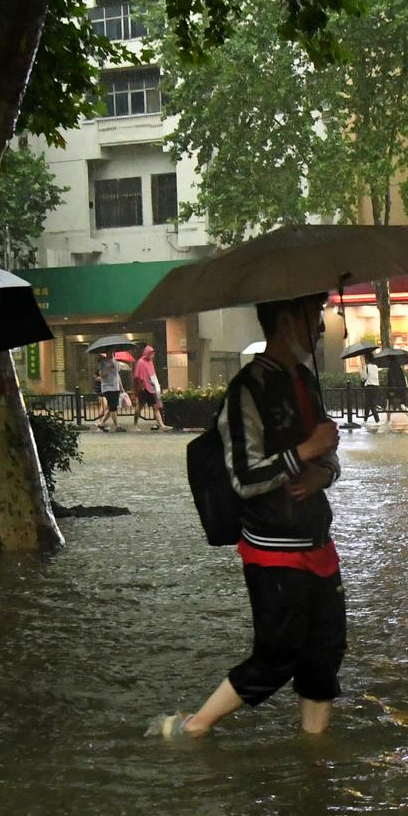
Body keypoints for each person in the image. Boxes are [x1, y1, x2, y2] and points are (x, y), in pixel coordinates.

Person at [152, 293, 344, 739]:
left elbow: (329, 456)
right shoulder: (247, 389)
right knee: (277, 655)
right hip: (273, 551)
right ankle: (193, 729)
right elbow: (243, 476)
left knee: (324, 653)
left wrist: (324, 474)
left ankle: (314, 756)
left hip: (318, 543)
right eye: (313, 316)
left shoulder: (308, 382)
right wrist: (306, 453)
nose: (321, 328)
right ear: (284, 321)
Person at [133, 344, 168, 430]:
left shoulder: (150, 363)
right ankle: (135, 424)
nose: (153, 355)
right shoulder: (140, 362)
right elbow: (137, 376)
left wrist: (156, 385)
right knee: (140, 406)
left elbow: (152, 375)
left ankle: (161, 425)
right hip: (144, 388)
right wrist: (141, 387)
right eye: (152, 354)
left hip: (151, 388)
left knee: (155, 406)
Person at [382, 357, 408, 427]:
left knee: (389, 404)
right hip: (401, 389)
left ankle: (388, 421)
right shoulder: (399, 368)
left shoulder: (391, 368)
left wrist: (391, 390)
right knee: (401, 403)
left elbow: (391, 380)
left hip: (393, 390)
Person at [95, 352, 124, 431]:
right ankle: (117, 426)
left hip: (116, 387)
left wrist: (121, 386)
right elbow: (101, 375)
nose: (111, 355)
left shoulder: (116, 362)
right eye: (109, 353)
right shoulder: (102, 363)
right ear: (107, 354)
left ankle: (101, 423)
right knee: (113, 407)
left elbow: (117, 375)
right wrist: (108, 369)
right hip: (107, 388)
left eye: (112, 353)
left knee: (112, 407)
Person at [361, 354, 381, 422]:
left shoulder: (366, 367)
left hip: (369, 387)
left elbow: (363, 377)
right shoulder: (375, 366)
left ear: (367, 359)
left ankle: (377, 420)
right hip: (376, 387)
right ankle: (365, 420)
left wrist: (362, 369)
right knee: (368, 404)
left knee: (371, 404)